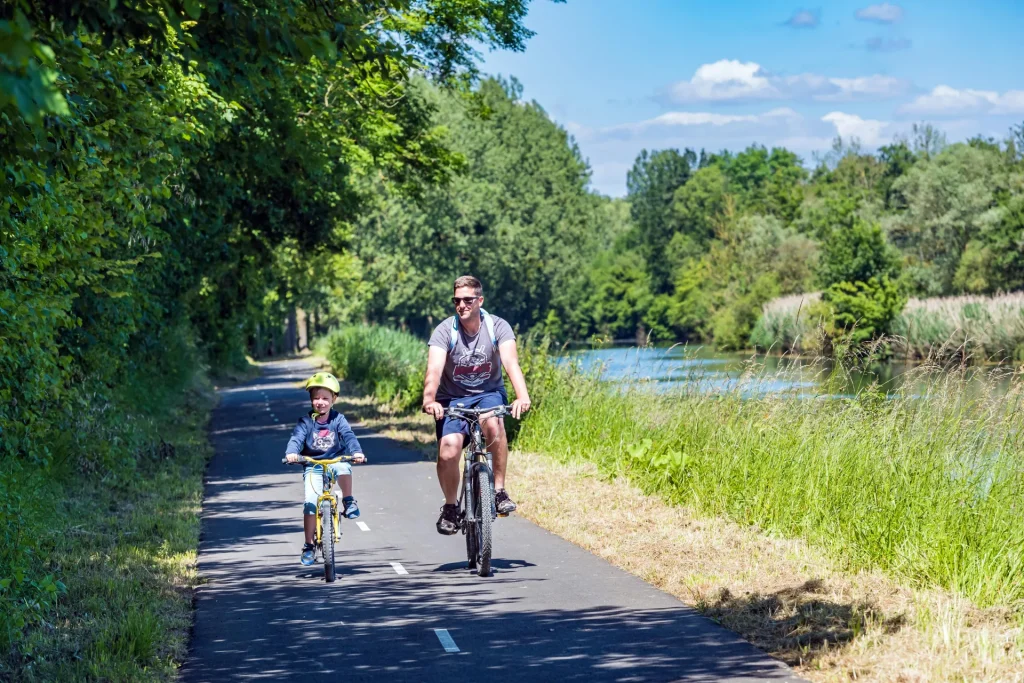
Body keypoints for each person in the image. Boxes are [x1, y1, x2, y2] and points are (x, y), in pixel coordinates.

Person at [422, 275, 531, 535]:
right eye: (457, 300)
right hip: (453, 398)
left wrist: (522, 396)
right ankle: (450, 507)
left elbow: (511, 363)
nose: (462, 305)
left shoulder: (497, 326)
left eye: (468, 300)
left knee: (493, 424)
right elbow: (434, 369)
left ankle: (499, 491)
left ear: (480, 301)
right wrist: (429, 399)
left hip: (488, 393)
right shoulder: (445, 331)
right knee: (448, 449)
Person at [284, 371, 366, 566]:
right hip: (313, 464)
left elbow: (349, 436)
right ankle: (309, 545)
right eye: (316, 398)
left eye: (325, 398)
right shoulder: (306, 422)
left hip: (335, 459)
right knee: (310, 503)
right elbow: (296, 439)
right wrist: (292, 453)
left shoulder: (338, 420)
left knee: (345, 468)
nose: (320, 402)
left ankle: (348, 500)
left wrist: (357, 452)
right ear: (311, 400)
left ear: (334, 399)